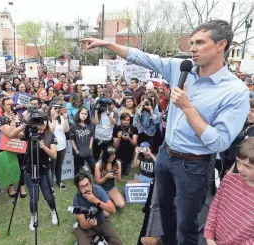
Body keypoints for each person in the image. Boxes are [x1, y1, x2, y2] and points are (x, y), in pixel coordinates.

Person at [81, 19, 249, 245]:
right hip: (165, 155)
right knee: (163, 211)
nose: (192, 48)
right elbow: (142, 57)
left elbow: (218, 142)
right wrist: (107, 44)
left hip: (194, 165)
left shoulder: (235, 91)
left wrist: (187, 107)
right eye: (191, 42)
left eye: (200, 42)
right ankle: (166, 241)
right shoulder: (183, 67)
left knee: (187, 223)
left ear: (221, 45)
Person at [9, 112, 59, 231]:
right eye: (40, 121)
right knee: (34, 197)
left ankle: (53, 212)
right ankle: (33, 217)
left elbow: (54, 155)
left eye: (45, 121)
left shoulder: (49, 135)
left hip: (44, 170)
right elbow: (11, 135)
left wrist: (44, 147)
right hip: (29, 170)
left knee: (48, 195)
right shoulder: (29, 132)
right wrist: (25, 125)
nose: (42, 124)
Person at [204, 138, 254, 245]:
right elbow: (215, 207)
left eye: (248, 166)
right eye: (238, 162)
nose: (240, 168)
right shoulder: (228, 180)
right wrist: (209, 235)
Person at [72, 172, 123, 245]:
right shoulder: (76, 199)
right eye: (82, 187)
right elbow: (83, 224)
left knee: (118, 243)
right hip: (86, 227)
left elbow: (113, 209)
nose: (86, 189)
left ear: (90, 183)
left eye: (87, 185)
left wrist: (96, 200)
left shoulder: (98, 190)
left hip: (101, 221)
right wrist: (90, 224)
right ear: (78, 188)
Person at [48, 101, 70, 189]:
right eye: (55, 108)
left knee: (59, 165)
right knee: (52, 167)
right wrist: (53, 119)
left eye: (58, 108)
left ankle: (59, 181)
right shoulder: (47, 119)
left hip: (62, 145)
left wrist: (65, 119)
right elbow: (50, 131)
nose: (57, 110)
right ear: (50, 109)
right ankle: (51, 185)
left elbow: (67, 130)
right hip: (52, 147)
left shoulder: (61, 117)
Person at [69, 107, 95, 175]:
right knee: (77, 167)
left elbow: (92, 136)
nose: (83, 115)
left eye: (85, 114)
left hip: (88, 150)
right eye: (82, 113)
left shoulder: (90, 124)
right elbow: (71, 139)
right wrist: (76, 150)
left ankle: (95, 178)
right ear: (79, 114)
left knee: (92, 165)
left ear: (88, 115)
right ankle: (77, 180)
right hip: (78, 150)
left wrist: (90, 147)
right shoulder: (74, 125)